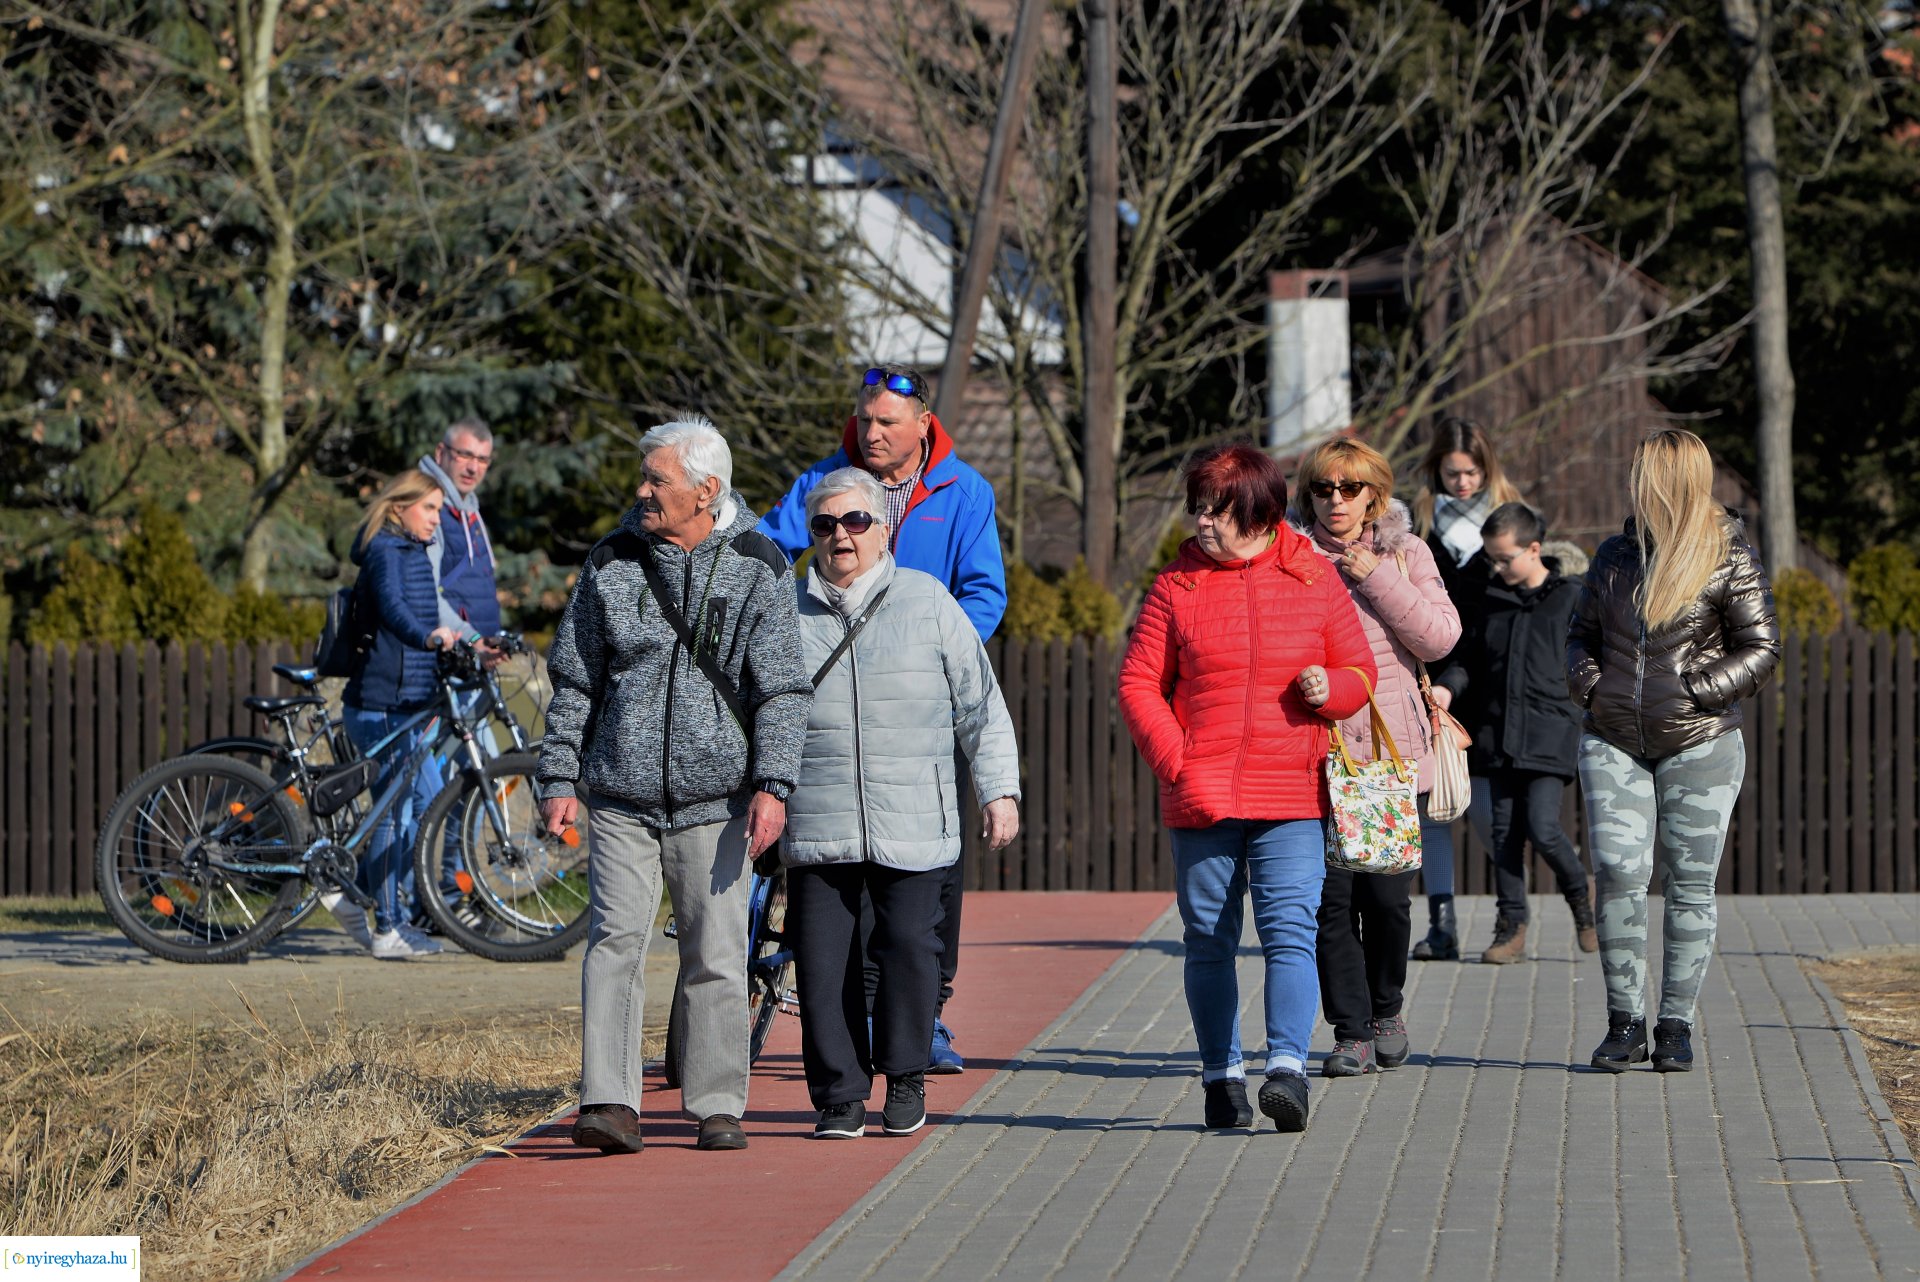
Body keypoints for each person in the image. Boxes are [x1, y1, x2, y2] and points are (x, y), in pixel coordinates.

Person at [538, 417, 814, 1154]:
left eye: (657, 479)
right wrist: (559, 771)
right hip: (620, 794)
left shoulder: (760, 564)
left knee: (716, 954)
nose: (642, 490)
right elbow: (574, 678)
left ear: (705, 490)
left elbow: (783, 689)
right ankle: (609, 1101)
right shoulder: (611, 562)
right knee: (614, 944)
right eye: (645, 476)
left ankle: (718, 1104)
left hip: (717, 800)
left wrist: (773, 783)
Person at [1119, 443, 1375, 1134]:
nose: (1203, 522)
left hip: (1291, 793)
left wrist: (1334, 691)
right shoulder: (1176, 585)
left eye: (1218, 510)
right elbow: (1139, 684)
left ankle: (1287, 1069)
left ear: (1260, 513)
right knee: (1208, 938)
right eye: (1197, 508)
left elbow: (1359, 670)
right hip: (1202, 798)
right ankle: (1220, 1076)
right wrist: (1179, 762)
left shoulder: (1314, 579)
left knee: (1290, 930)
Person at [760, 363, 1007, 1073]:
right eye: (865, 420)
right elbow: (766, 556)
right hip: (832, 706)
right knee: (841, 866)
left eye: (887, 423)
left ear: (924, 425)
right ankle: (855, 1023)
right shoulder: (822, 484)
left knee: (929, 870)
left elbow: (985, 593)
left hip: (920, 707)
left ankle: (926, 1014)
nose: (871, 433)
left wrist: (937, 657)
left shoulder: (965, 491)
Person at [783, 468, 1022, 1140]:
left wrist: (998, 790)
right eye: (826, 524)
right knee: (823, 961)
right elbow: (758, 712)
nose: (841, 536)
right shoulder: (783, 610)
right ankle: (838, 1096)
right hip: (819, 817)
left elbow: (980, 704)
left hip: (915, 816)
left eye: (856, 521)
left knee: (910, 949)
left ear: (883, 530)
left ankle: (907, 1075)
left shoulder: (929, 601)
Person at [1568, 429, 1779, 1072]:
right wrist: (1593, 688)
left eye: (1642, 473)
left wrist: (1697, 690)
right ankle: (1625, 1023)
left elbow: (1761, 647)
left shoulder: (1728, 555)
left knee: (1691, 883)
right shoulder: (1613, 556)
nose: (1633, 482)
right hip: (1614, 739)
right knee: (1619, 871)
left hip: (1701, 741)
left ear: (1669, 479)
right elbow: (1579, 637)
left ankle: (1675, 1025)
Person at [1289, 438, 1460, 1078]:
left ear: (1374, 496)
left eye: (1349, 489)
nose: (1335, 500)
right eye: (1323, 489)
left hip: (1392, 751)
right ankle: (1351, 1032)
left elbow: (1440, 635)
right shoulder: (1292, 557)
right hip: (1315, 749)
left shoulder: (1405, 553)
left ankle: (1387, 1009)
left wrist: (1375, 575)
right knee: (1329, 902)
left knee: (1386, 900)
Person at [1431, 502, 1595, 964]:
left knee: (1543, 827)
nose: (1497, 568)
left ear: (1535, 549)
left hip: (1548, 734)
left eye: (1505, 559)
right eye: (1492, 560)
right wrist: (1446, 688)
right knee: (1502, 834)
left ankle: (1583, 901)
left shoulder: (1570, 599)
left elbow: (1591, 658)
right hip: (1496, 734)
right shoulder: (1491, 602)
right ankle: (1511, 926)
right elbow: (1467, 660)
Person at [1407, 418, 1524, 961]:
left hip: (1491, 675)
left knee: (1485, 811)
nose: (1462, 482)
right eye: (1452, 472)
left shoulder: (1509, 514)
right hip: (1430, 674)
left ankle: (1511, 919)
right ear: (1436, 469)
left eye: (1473, 471)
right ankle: (1442, 925)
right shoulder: (1414, 522)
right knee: (1431, 803)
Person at [340, 469, 463, 960]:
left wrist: (468, 645)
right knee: (393, 817)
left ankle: (396, 911)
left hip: (409, 704)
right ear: (399, 507)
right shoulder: (385, 551)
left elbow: (431, 617)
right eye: (430, 508)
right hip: (382, 705)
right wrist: (428, 638)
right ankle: (386, 925)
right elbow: (394, 611)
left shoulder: (411, 552)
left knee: (430, 806)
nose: (438, 518)